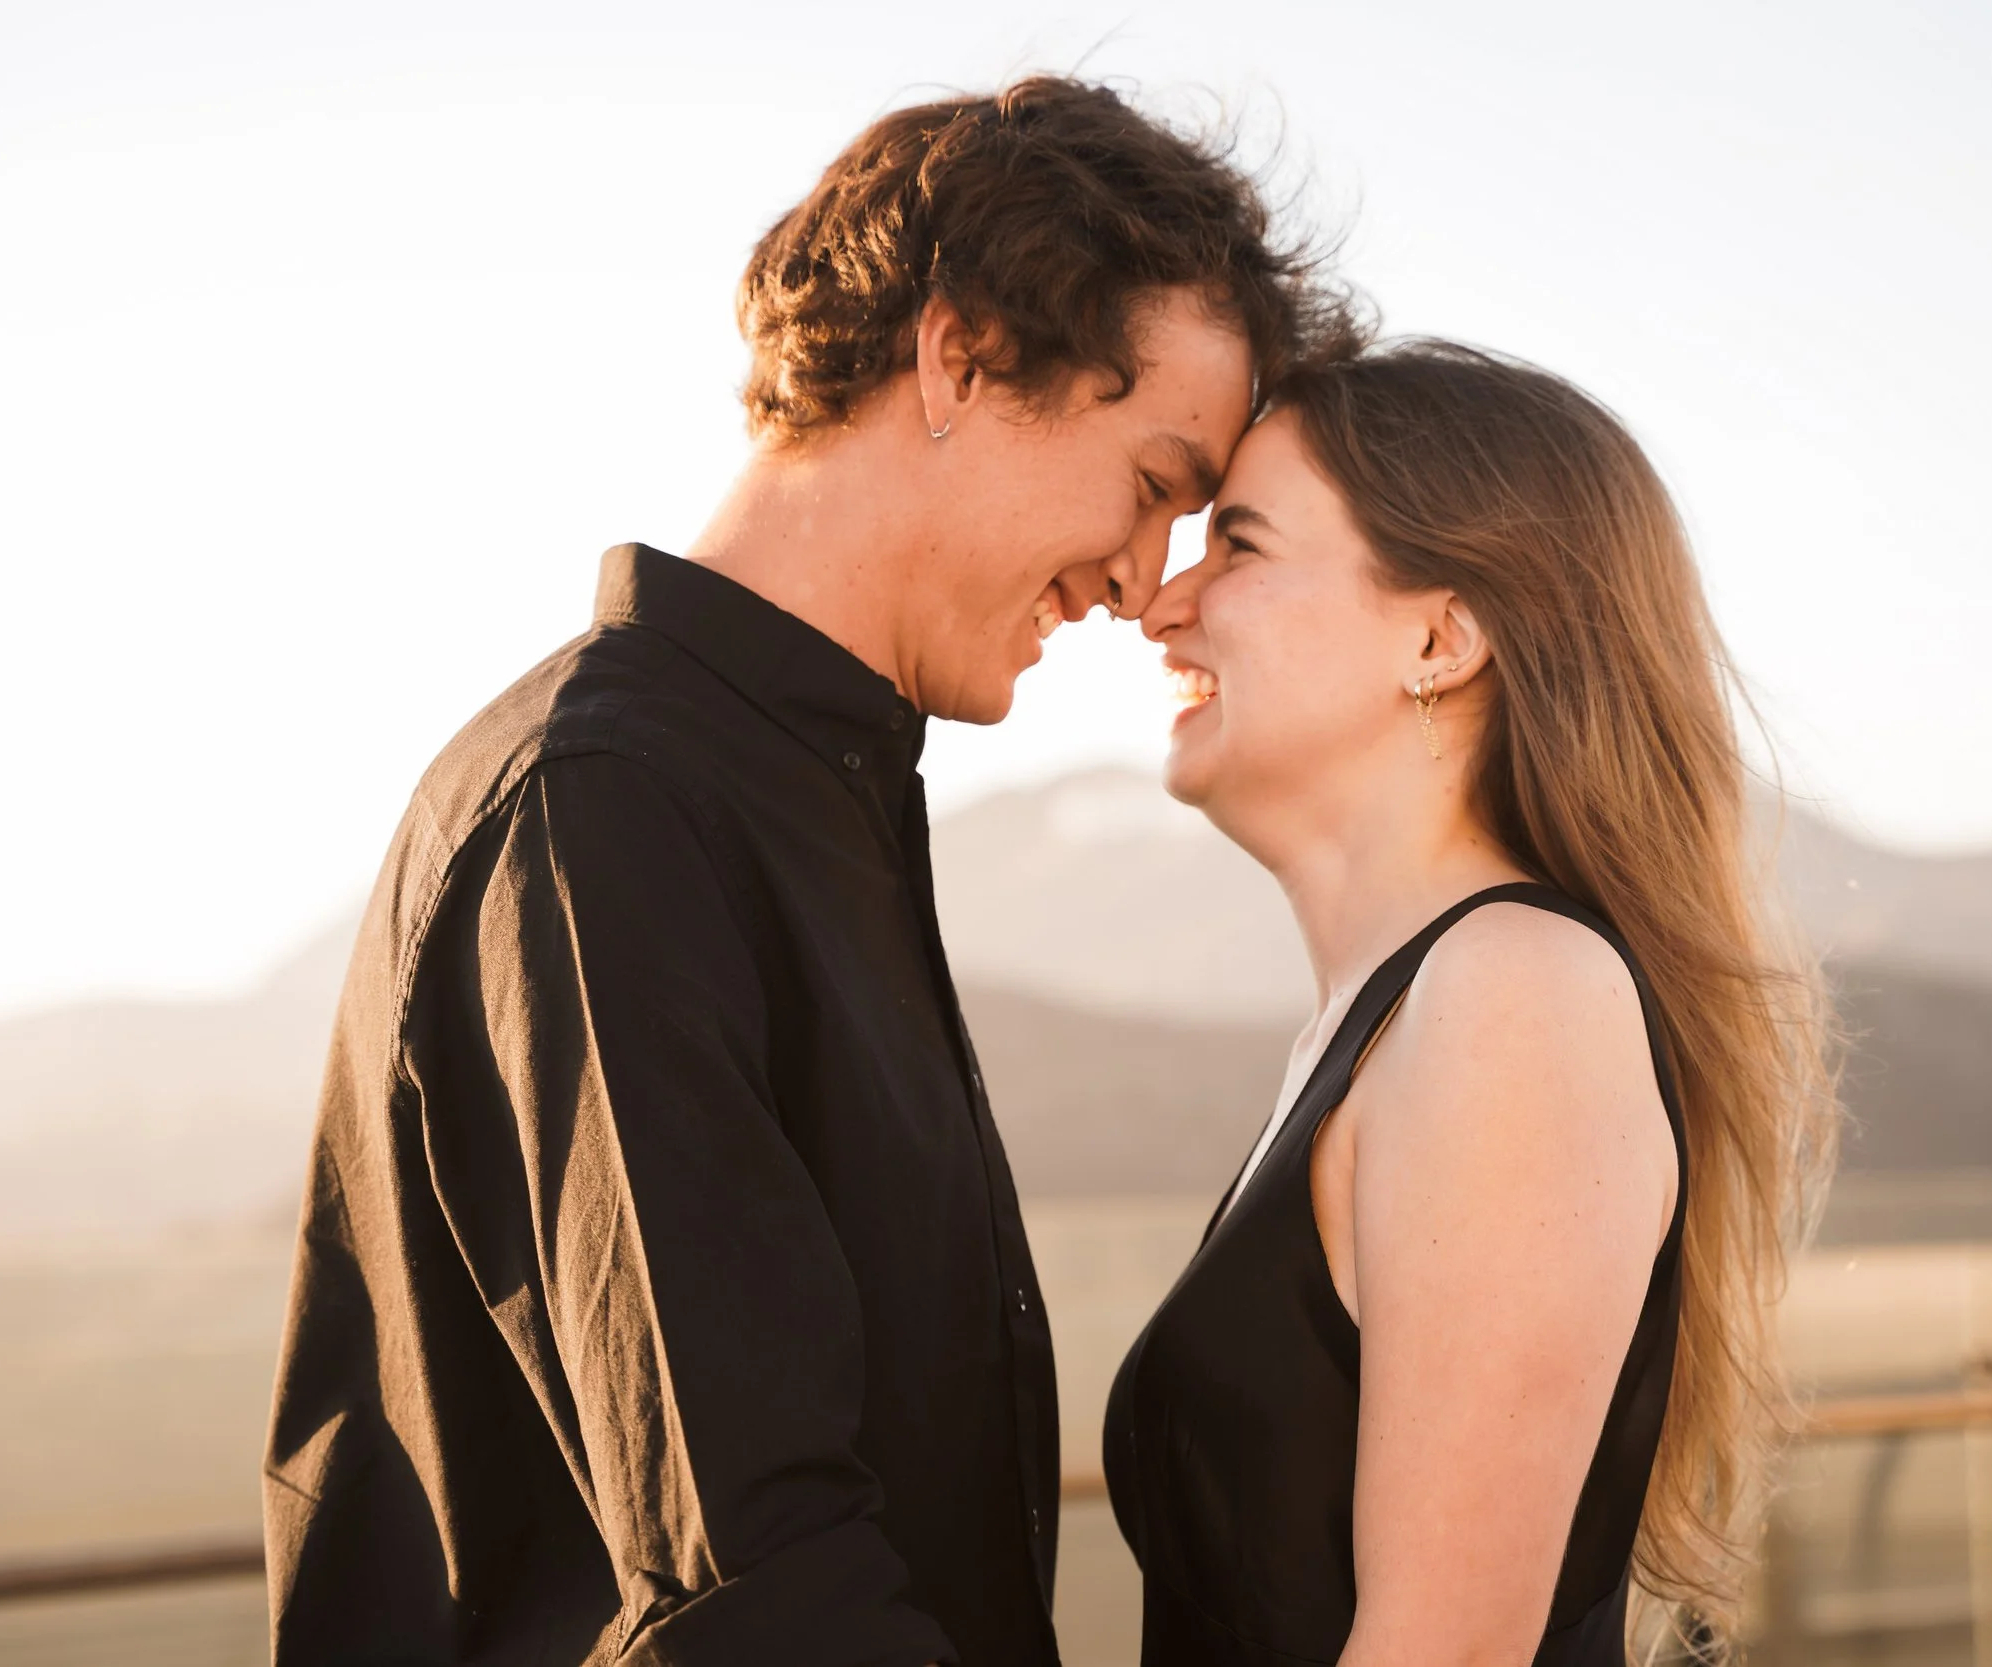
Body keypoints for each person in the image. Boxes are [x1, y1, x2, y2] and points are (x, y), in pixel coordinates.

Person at [261, 78, 1349, 1666]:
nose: (1141, 582)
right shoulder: (611, 810)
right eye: (1151, 483)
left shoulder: (807, 792)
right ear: (960, 356)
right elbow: (754, 1581)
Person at [1109, 340, 1838, 1666]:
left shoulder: (1515, 999)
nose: (1160, 604)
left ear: (1440, 638)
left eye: (1241, 548)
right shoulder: (1389, 1021)